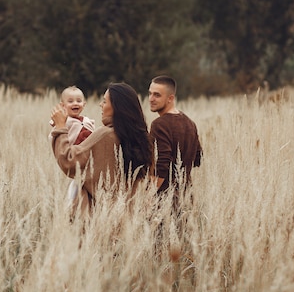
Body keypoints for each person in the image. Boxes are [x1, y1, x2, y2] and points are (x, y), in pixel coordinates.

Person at [50, 82, 153, 215]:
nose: (100, 104)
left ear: (116, 107)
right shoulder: (144, 139)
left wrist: (60, 128)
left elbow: (69, 161)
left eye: (104, 101)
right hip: (130, 218)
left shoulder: (105, 135)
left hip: (98, 218)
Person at [148, 75, 202, 211]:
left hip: (165, 200)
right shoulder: (190, 123)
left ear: (170, 98)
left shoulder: (159, 124)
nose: (151, 99)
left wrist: (148, 197)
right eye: (150, 94)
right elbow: (198, 158)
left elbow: (162, 165)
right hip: (186, 197)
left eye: (157, 95)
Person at [48, 86, 96, 206]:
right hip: (74, 158)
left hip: (87, 160)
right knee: (73, 192)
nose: (75, 103)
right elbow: (55, 134)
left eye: (79, 101)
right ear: (63, 105)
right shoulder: (65, 122)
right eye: (70, 101)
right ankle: (69, 208)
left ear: (84, 104)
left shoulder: (86, 121)